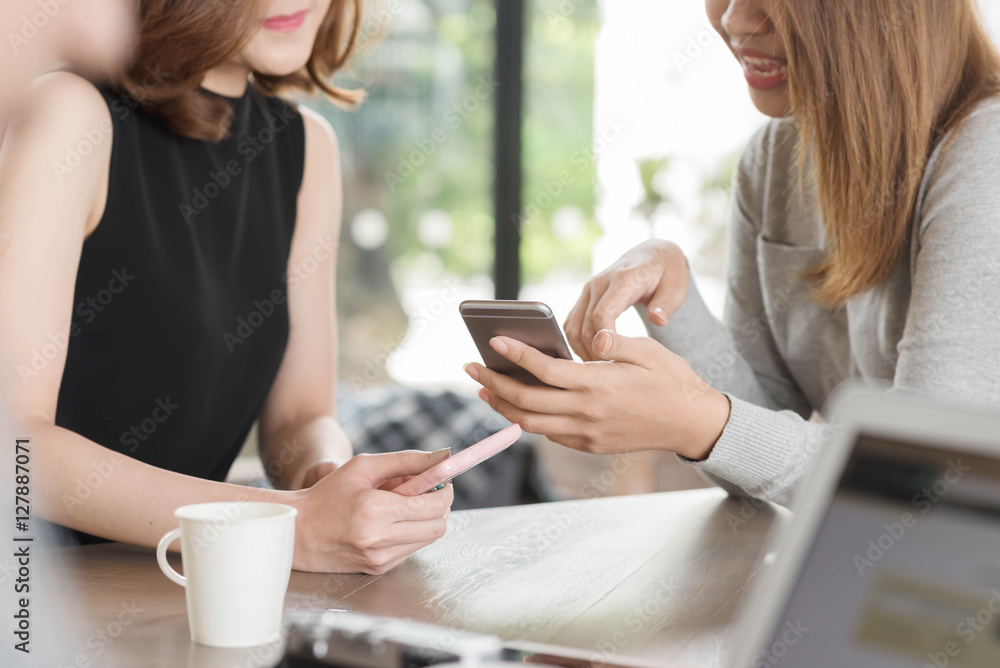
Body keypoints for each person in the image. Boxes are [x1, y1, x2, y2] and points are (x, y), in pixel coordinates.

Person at [463, 0, 1000, 505]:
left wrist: (698, 421)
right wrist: (674, 301)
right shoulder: (774, 159)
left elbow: (925, 484)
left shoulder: (986, 155)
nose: (736, 19)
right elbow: (759, 452)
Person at [0, 0, 454, 575]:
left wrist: (330, 481)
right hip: (31, 603)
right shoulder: (70, 114)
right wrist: (290, 525)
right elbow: (15, 447)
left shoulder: (305, 148)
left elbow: (300, 415)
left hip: (187, 593)